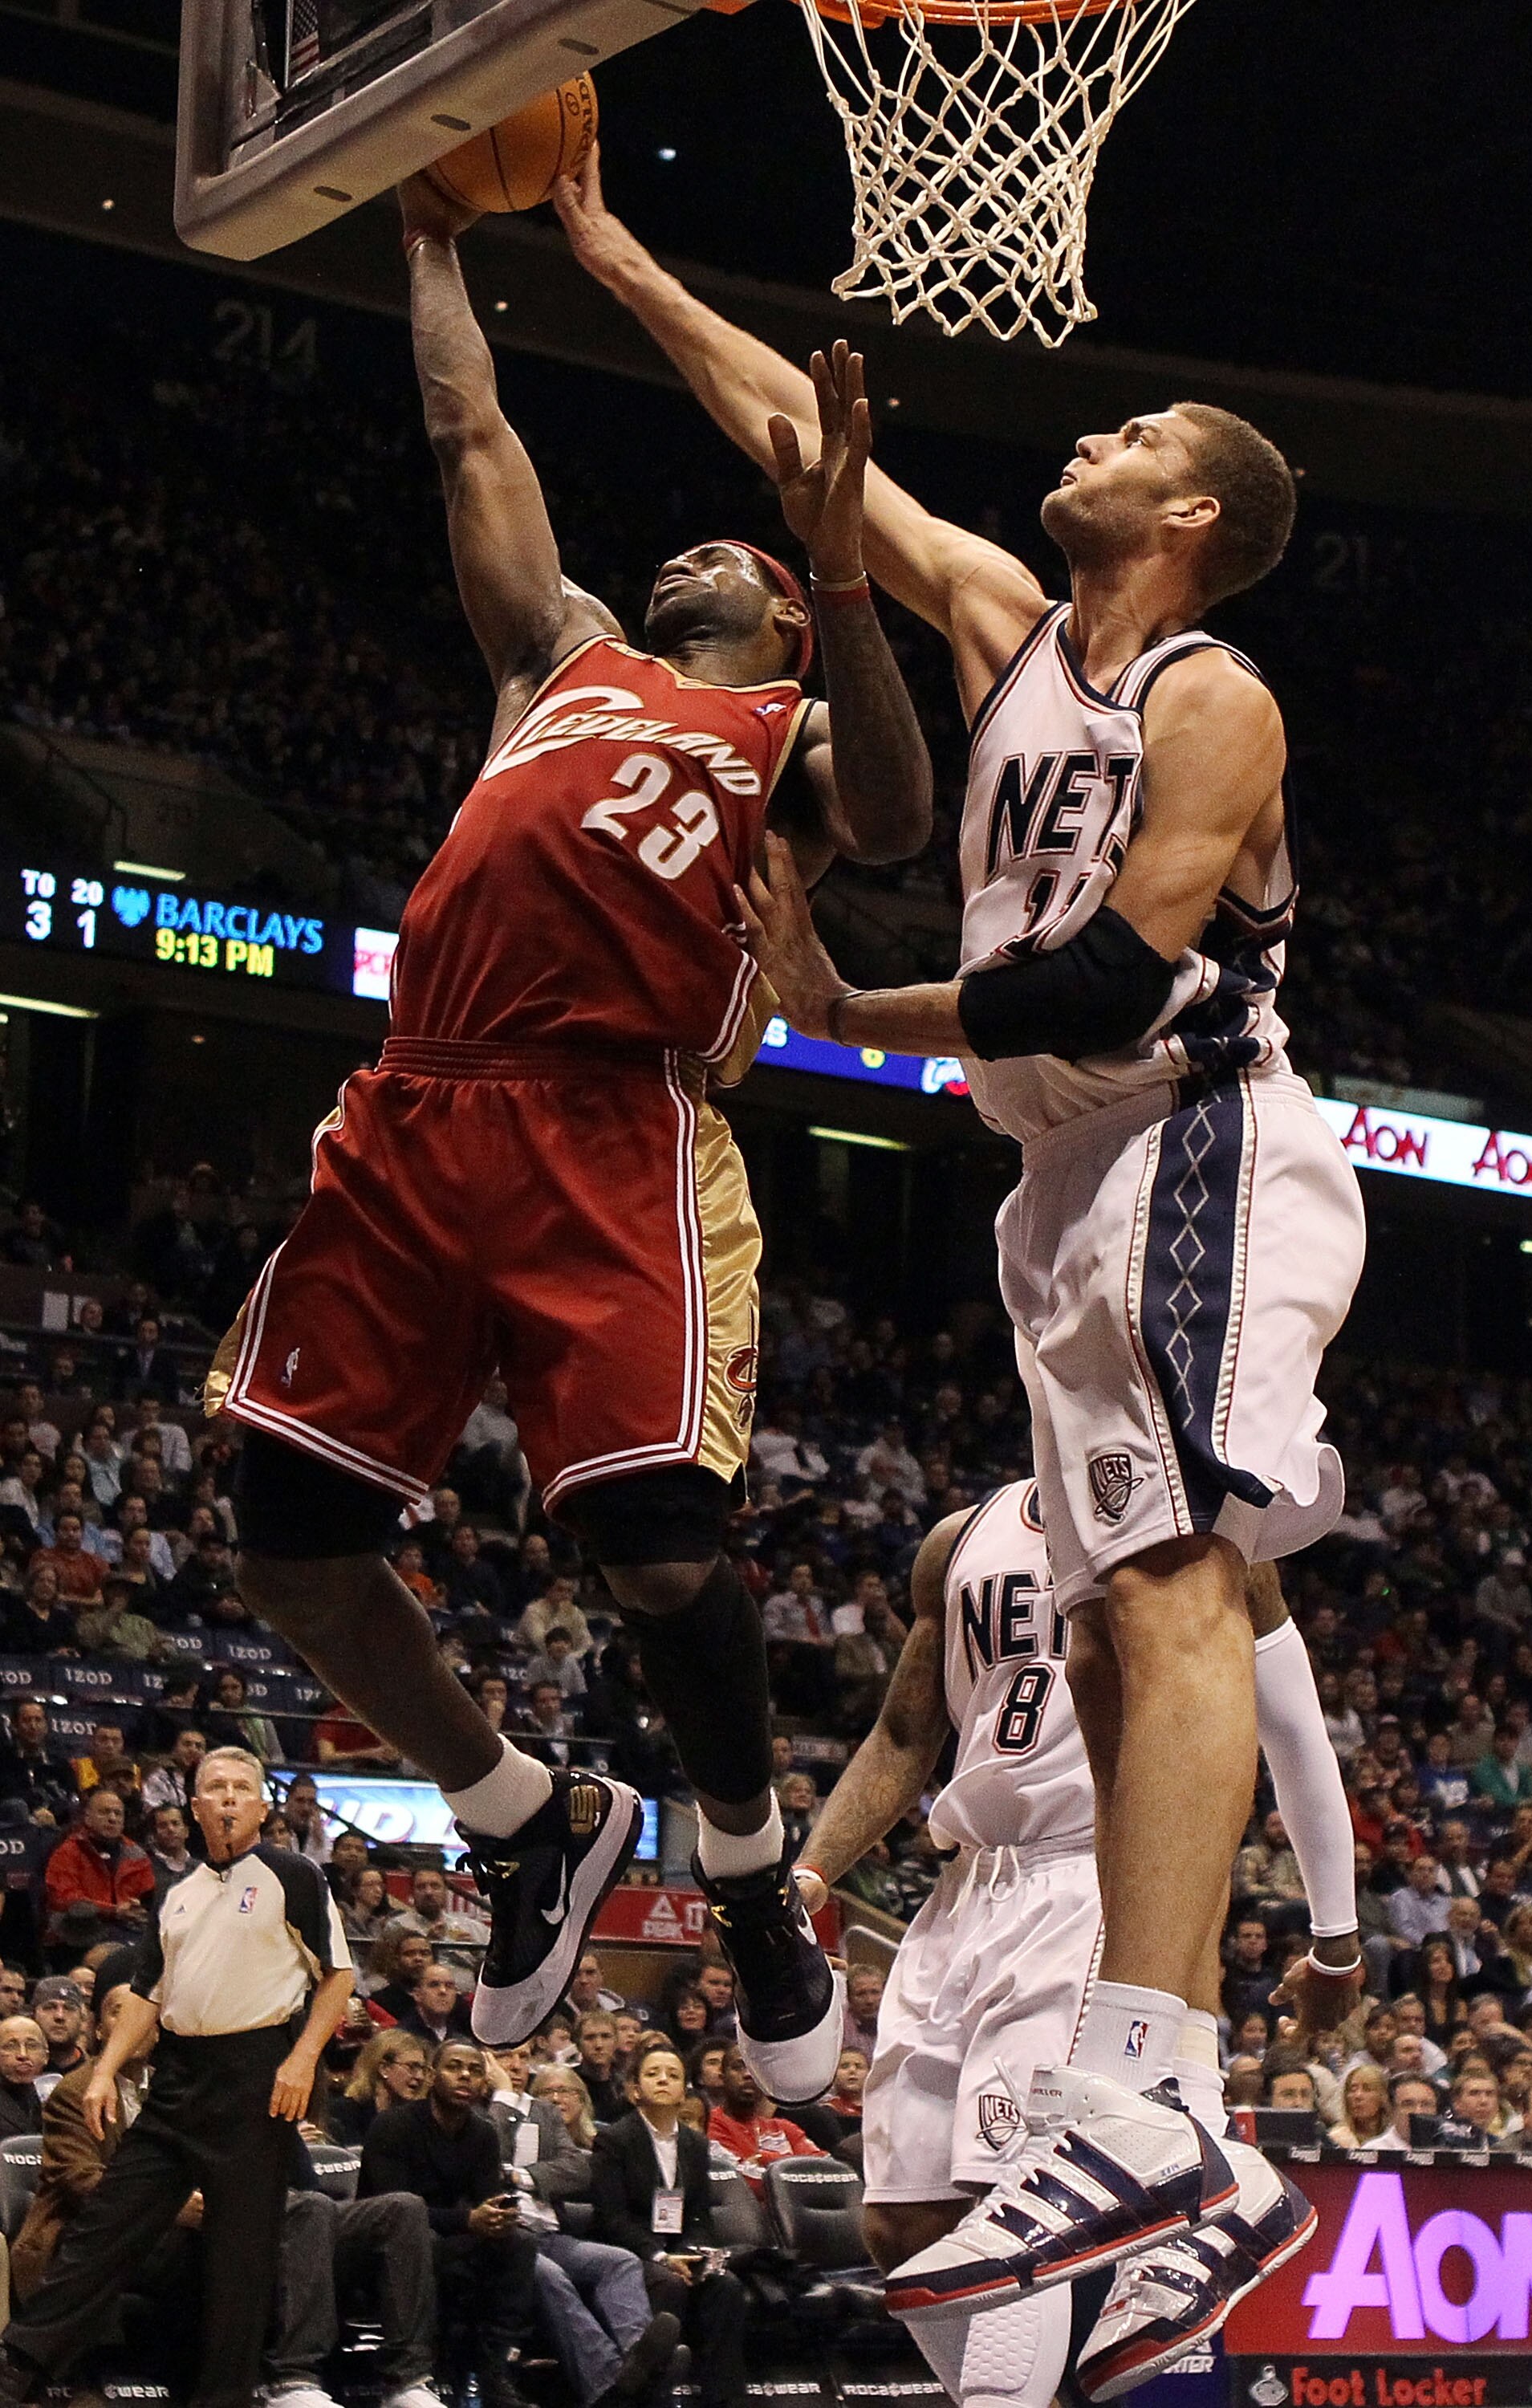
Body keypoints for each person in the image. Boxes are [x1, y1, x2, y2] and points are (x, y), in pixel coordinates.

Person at [561, 132, 1371, 2273]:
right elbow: (798, 444)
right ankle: (1169, 2112)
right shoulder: (1012, 623)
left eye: (1135, 434)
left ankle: (1146, 2093)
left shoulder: (1211, 695)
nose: (1087, 436)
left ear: (1189, 520)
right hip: (1064, 1177)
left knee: (1175, 1583)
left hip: (1203, 1142)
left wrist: (870, 1004)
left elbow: (1107, 981)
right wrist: (609, 248)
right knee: (1109, 1622)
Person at [213, 151, 932, 2105]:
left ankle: (752, 1878)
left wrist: (839, 565)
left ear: (778, 625)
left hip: (613, 1125)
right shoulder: (563, 661)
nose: (700, 553)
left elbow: (893, 820)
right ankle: (525, 1814)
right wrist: (433, 239)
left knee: (659, 1552)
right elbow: (469, 427)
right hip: (418, 1097)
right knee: (285, 1544)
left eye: (740, 560)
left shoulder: (786, 735)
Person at [788, 1482, 1346, 2401]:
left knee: (1016, 2202)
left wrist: (1334, 1937)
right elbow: (902, 1734)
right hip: (967, 1880)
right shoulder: (959, 1541)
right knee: (902, 2223)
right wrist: (809, 1873)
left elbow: (1285, 1725)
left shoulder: (1198, 1520)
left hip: (1091, 1869)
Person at [0, 1747, 355, 2408]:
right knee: (107, 2222)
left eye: (241, 1787)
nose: (228, 1797)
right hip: (178, 2075)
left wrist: (303, 2058)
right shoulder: (176, 1892)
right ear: (194, 1807)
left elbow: (339, 1976)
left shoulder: (294, 1874)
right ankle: (18, 2364)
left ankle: (223, 2398)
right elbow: (147, 1993)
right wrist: (105, 2071)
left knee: (240, 2260)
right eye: (215, 1787)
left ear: (262, 1806)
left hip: (257, 2072)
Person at [360, 2038, 679, 2408]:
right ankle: (613, 2384)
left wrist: (497, 2216)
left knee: (542, 2247)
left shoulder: (481, 2133)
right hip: (399, 2243)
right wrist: (471, 2218)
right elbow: (393, 2210)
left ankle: (635, 2363)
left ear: (483, 2081)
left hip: (479, 2234)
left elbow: (512, 2190)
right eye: (454, 2067)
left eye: (474, 2070)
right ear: (432, 2076)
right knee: (542, 2271)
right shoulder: (394, 2126)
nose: (465, 2076)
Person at [592, 2038, 750, 2408]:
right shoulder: (614, 2140)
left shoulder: (696, 2144)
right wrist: (661, 2257)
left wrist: (693, 2254)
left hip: (680, 2251)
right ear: (635, 2090)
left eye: (673, 2075)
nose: (663, 2080)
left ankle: (723, 2401)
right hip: (633, 2254)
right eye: (653, 2074)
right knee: (669, 2284)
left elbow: (699, 2214)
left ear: (684, 2091)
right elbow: (611, 2218)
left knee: (726, 2286)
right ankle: (656, 2393)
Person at [43, 1788, 155, 1954]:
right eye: (104, 1812)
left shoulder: (136, 1853)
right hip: (80, 1932)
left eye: (118, 1814)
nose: (112, 1818)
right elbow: (64, 1899)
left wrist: (140, 1908)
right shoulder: (69, 1852)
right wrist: (113, 1910)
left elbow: (149, 1895)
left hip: (130, 1929)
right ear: (87, 1818)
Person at [708, 2044, 825, 2195]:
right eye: (738, 2067)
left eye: (755, 2068)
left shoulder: (783, 2128)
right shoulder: (711, 2123)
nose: (748, 2074)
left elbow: (825, 2170)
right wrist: (795, 2168)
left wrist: (763, 2158)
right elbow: (740, 2181)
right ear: (722, 2077)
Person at [389, 1864, 490, 1993]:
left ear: (446, 1891)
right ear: (412, 1893)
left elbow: (498, 1966)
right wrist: (427, 1944)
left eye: (435, 1886)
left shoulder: (473, 1928)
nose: (429, 1892)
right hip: (414, 1997)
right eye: (421, 1887)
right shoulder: (397, 1926)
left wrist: (476, 1951)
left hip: (467, 1998)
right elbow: (386, 1969)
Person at [326, 2028, 433, 2147]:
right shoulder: (342, 2113)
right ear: (384, 2069)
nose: (420, 2076)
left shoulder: (420, 2119)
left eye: (423, 2069)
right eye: (412, 2067)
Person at [30, 1979, 88, 2097]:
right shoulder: (17, 2073)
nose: (59, 2016)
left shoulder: (95, 2075)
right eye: (50, 2007)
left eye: (69, 2008)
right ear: (33, 2016)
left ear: (82, 2020)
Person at [398, 1962, 473, 2048]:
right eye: (434, 1985)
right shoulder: (402, 2037)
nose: (443, 1991)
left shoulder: (465, 2036)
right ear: (417, 1994)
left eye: (449, 1986)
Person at [0, 2019, 46, 2139]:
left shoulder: (56, 2098)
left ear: (46, 2056)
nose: (23, 2055)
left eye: (32, 2046)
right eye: (11, 2046)